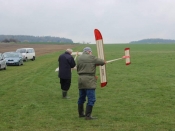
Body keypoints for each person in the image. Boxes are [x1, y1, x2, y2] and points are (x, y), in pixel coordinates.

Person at [77, 47, 106, 120]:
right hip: (89, 80)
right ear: (89, 52)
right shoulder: (91, 57)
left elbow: (83, 66)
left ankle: (81, 113)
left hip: (81, 79)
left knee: (81, 98)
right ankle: (88, 116)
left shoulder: (79, 58)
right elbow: (102, 62)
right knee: (91, 99)